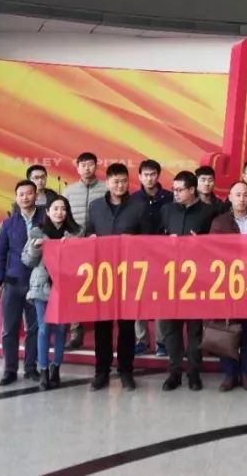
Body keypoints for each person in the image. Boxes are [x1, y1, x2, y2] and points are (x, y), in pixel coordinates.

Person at [84, 162, 146, 391]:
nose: (120, 185)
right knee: (102, 326)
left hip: (128, 275)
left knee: (127, 326)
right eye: (115, 181)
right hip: (103, 274)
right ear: (107, 182)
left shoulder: (139, 207)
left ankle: (126, 370)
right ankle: (101, 371)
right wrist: (90, 237)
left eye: (123, 181)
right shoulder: (96, 206)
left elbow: (147, 241)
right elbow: (89, 231)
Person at [159, 171, 216, 391]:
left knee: (194, 330)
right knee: (171, 329)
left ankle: (194, 372)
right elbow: (154, 240)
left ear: (192, 190)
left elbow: (216, 246)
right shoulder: (166, 210)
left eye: (180, 190)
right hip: (170, 277)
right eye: (174, 189)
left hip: (196, 279)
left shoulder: (208, 212)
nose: (175, 193)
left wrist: (199, 244)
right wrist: (166, 241)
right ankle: (174, 372)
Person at [22, 195, 82, 390]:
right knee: (44, 329)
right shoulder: (37, 232)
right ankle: (43, 370)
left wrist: (73, 247)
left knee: (61, 329)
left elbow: (82, 262)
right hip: (42, 286)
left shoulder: (75, 233)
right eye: (55, 208)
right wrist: (35, 248)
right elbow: (27, 261)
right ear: (47, 211)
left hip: (65, 286)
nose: (59, 212)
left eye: (63, 209)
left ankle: (56, 367)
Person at [209, 181, 247, 392]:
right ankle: (230, 374)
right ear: (229, 197)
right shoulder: (220, 222)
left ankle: (246, 373)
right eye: (237, 194)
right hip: (229, 282)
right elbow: (213, 252)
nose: (242, 199)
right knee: (228, 329)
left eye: (245, 195)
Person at [0, 180, 45, 386]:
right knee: (9, 328)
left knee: (34, 328)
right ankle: (9, 370)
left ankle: (31, 368)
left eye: (29, 193)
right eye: (21, 194)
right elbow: (0, 254)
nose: (25, 197)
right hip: (12, 282)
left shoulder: (45, 220)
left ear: (36, 196)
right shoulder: (7, 224)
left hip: (37, 282)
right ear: (16, 198)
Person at [61, 151, 108, 350]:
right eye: (83, 165)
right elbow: (62, 218)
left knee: (101, 289)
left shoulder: (107, 189)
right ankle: (76, 334)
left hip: (100, 247)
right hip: (75, 247)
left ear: (96, 166)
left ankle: (102, 333)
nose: (87, 168)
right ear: (77, 167)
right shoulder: (69, 192)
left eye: (90, 164)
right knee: (76, 291)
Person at [129, 159, 173, 355]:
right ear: (139, 177)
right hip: (138, 255)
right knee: (138, 297)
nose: (149, 178)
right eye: (145, 175)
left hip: (163, 256)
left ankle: (161, 342)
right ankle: (141, 340)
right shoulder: (132, 199)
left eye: (153, 174)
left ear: (158, 175)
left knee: (161, 298)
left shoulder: (169, 198)